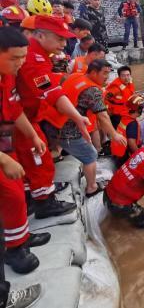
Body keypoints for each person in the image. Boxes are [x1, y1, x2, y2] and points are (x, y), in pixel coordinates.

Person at [15, 15, 89, 218]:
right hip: (21, 119)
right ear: (40, 35)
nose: (64, 44)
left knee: (33, 160)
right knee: (40, 159)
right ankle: (44, 204)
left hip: (25, 116)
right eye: (59, 39)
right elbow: (51, 92)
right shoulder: (33, 59)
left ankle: (36, 196)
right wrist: (77, 117)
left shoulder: (36, 54)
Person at [0, 27, 51, 275]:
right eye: (14, 58)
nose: (20, 63)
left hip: (5, 138)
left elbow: (13, 108)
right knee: (11, 194)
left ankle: (19, 240)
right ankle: (13, 249)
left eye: (23, 57)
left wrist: (32, 135)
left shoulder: (7, 76)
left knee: (16, 191)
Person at [44, 60, 127, 197]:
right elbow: (103, 116)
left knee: (55, 150)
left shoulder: (76, 75)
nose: (107, 77)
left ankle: (46, 170)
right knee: (90, 155)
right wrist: (114, 135)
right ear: (94, 73)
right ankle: (91, 188)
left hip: (51, 121)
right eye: (104, 73)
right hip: (66, 129)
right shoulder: (93, 90)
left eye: (109, 73)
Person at [111, 95, 144, 167]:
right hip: (124, 156)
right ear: (138, 110)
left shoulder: (125, 117)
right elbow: (131, 143)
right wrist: (139, 156)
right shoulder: (132, 124)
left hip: (118, 153)